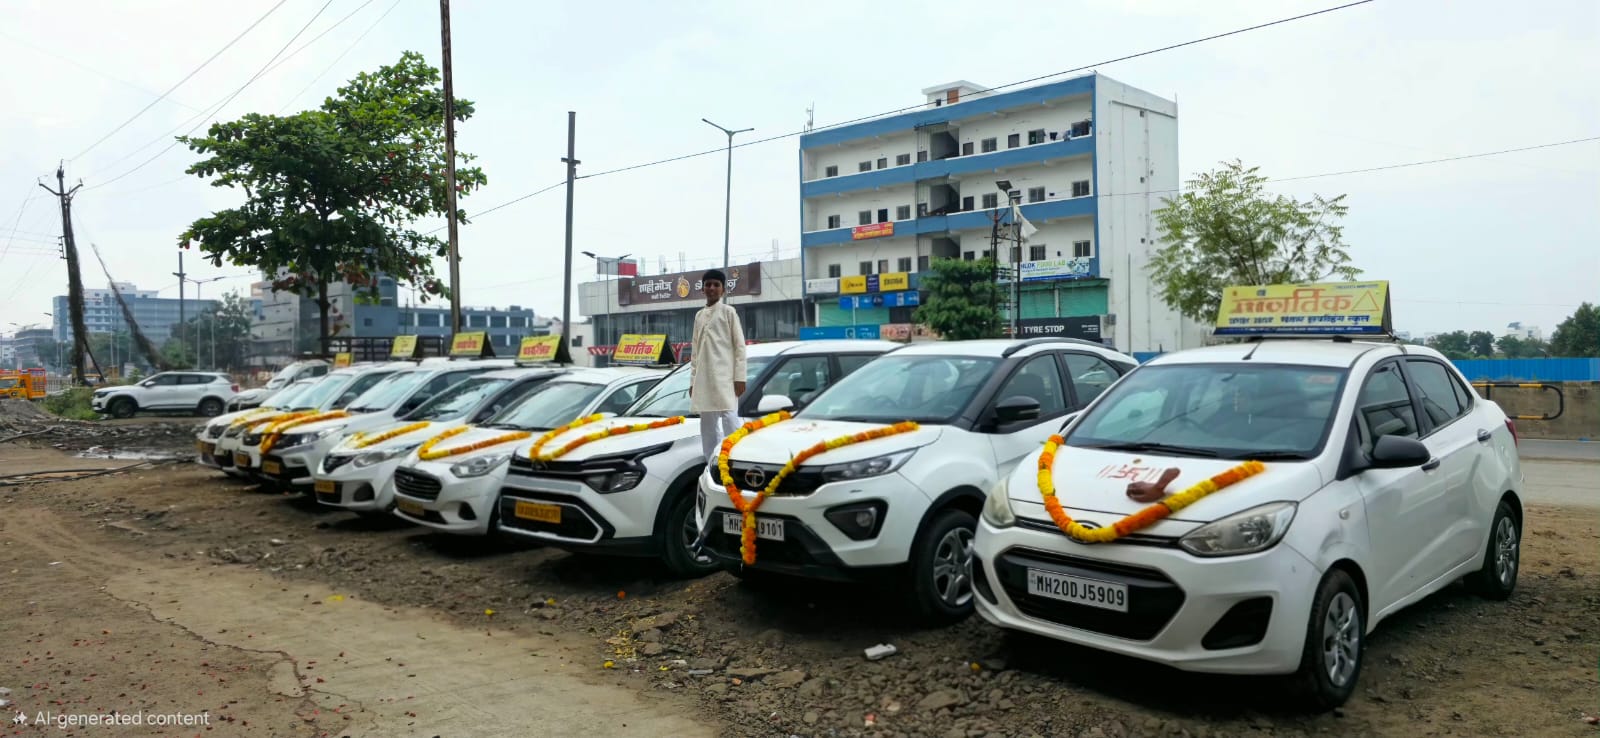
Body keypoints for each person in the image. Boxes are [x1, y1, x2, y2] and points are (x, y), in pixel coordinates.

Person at [689, 269, 747, 465]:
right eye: (708, 284)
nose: (712, 288)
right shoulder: (699, 316)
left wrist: (740, 377)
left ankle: (737, 459)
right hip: (704, 379)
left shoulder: (728, 312)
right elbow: (695, 352)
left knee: (730, 418)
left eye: (716, 285)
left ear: (723, 289)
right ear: (703, 288)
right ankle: (712, 463)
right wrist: (693, 382)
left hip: (726, 378)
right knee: (707, 424)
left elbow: (740, 347)